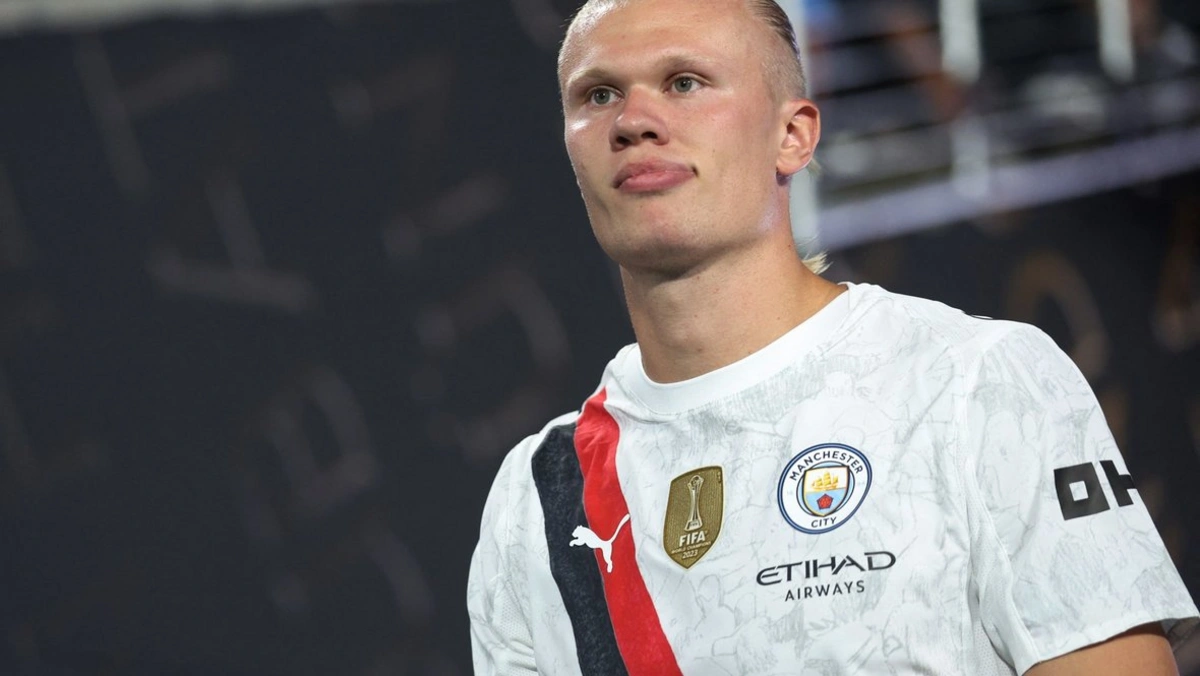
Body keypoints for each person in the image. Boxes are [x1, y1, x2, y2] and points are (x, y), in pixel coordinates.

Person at [467, 0, 1199, 673]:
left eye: (685, 83)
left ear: (792, 137)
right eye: (599, 95)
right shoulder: (537, 496)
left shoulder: (978, 382)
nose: (634, 120)